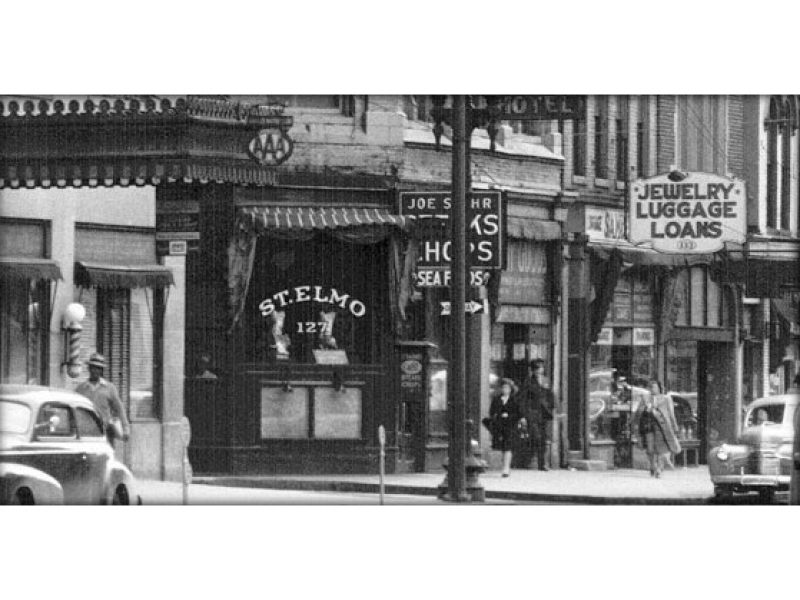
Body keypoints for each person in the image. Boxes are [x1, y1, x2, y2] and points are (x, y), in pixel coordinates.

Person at [75, 353, 130, 447]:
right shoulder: (81, 389)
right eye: (93, 367)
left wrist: (125, 429)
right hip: (86, 433)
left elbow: (119, 409)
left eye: (98, 368)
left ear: (101, 371)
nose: (95, 371)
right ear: (89, 368)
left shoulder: (109, 388)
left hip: (105, 431)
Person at [632, 380, 681, 478]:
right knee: (650, 448)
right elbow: (638, 412)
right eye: (651, 387)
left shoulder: (666, 398)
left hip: (661, 426)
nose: (652, 389)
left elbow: (671, 413)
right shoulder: (645, 398)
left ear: (659, 388)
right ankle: (652, 465)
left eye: (654, 387)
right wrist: (645, 409)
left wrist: (674, 425)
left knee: (661, 449)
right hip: (648, 425)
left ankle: (659, 468)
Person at [520, 359, 554, 471]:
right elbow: (523, 399)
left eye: (541, 368)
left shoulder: (546, 381)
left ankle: (542, 463)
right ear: (533, 370)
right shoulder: (528, 382)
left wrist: (551, 407)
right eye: (537, 369)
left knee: (543, 438)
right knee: (535, 436)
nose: (539, 371)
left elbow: (551, 395)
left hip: (544, 413)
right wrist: (523, 415)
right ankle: (531, 460)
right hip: (532, 413)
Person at [486, 378, 524, 478]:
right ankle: (504, 466)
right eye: (503, 387)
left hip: (511, 425)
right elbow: (491, 412)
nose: (505, 389)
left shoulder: (515, 400)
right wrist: (497, 416)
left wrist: (509, 416)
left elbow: (519, 413)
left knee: (508, 446)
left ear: (511, 389)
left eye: (507, 387)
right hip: (500, 425)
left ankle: (506, 468)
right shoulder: (497, 399)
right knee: (502, 447)